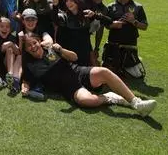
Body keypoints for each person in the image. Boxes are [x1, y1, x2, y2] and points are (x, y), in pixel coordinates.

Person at [22, 33, 156, 117]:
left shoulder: (50, 49)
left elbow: (74, 57)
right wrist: (25, 87)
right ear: (26, 49)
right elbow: (26, 79)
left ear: (39, 41)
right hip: (69, 87)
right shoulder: (30, 64)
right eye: (29, 46)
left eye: (34, 43)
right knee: (88, 101)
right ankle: (111, 98)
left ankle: (137, 103)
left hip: (78, 72)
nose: (33, 47)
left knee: (103, 72)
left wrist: (61, 50)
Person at [103, 0, 149, 78]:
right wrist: (113, 25)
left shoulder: (138, 7)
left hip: (130, 46)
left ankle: (135, 60)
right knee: (111, 74)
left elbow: (145, 26)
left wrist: (134, 21)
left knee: (137, 76)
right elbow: (106, 24)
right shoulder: (111, 7)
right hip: (113, 45)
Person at [52, 0, 93, 66]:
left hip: (83, 56)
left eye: (72, 0)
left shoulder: (86, 16)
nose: (68, 3)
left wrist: (96, 15)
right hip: (67, 57)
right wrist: (55, 6)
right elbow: (55, 19)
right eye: (67, 0)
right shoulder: (63, 17)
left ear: (78, 1)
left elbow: (87, 41)